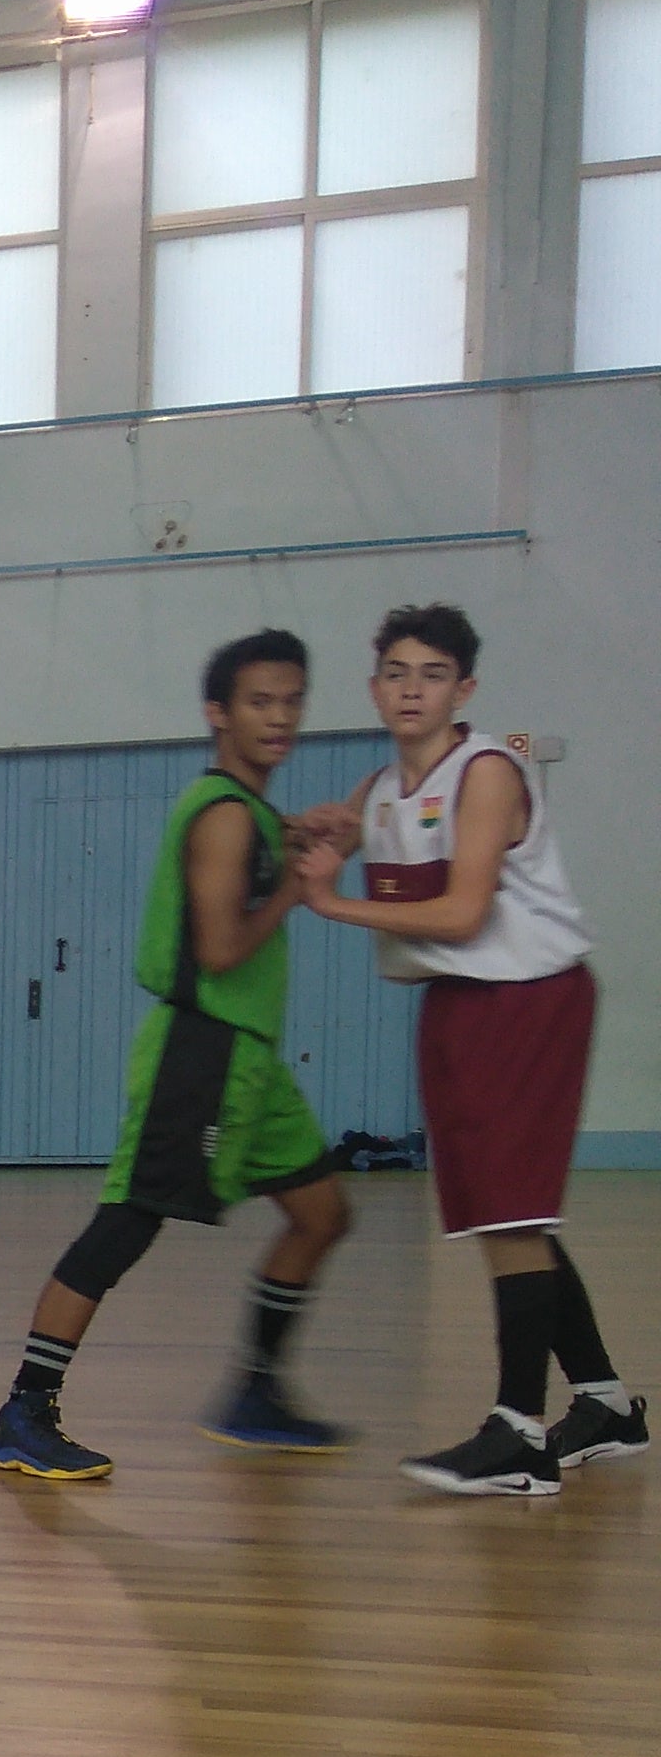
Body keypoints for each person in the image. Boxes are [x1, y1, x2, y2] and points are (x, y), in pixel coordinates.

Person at [0, 630, 355, 1482]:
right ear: (219, 713)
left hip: (249, 1061)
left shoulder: (253, 813)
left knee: (324, 1213)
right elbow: (220, 948)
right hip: (201, 1052)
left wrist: (321, 837)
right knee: (126, 1224)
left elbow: (280, 850)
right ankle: (23, 1411)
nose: (280, 717)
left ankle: (256, 1393)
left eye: (292, 700)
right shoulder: (225, 814)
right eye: (259, 701)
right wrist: (299, 889)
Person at [296, 604, 643, 1496]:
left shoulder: (486, 772)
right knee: (507, 1214)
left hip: (530, 998)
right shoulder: (381, 787)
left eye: (434, 674)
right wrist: (318, 837)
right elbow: (361, 844)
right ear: (375, 687)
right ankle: (604, 1404)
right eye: (398, 673)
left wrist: (331, 904)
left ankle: (519, 1435)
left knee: (509, 1216)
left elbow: (461, 913)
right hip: (457, 1001)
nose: (413, 689)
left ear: (465, 689)